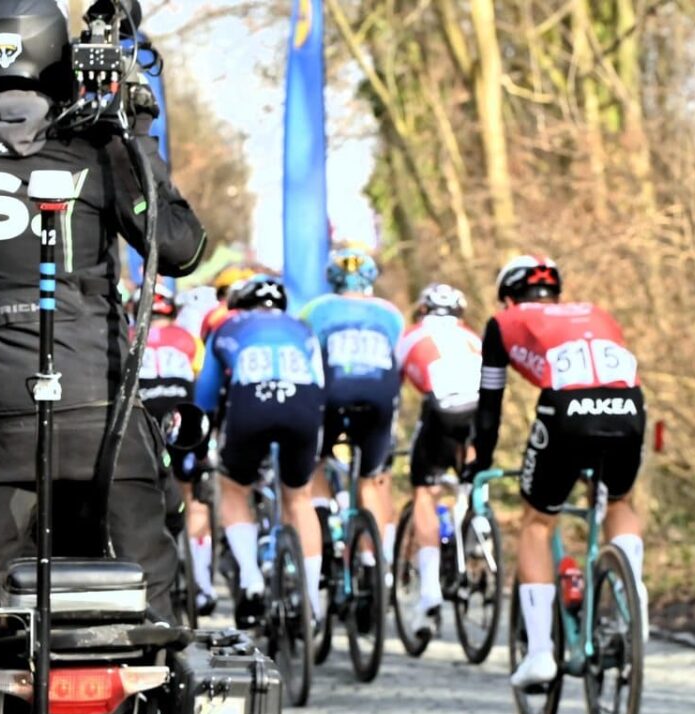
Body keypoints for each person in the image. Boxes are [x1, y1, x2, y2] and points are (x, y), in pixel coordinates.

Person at [0, 0, 207, 624]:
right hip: (103, 422)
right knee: (156, 613)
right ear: (59, 59)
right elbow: (180, 248)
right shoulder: (102, 149)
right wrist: (135, 133)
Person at [471, 255, 647, 688]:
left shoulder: (504, 321)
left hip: (567, 411)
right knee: (619, 499)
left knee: (537, 522)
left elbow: (490, 404)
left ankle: (539, 656)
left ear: (509, 296)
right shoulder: (597, 313)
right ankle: (632, 593)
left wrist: (482, 461)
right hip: (628, 408)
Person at [196, 275, 324, 627]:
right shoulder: (302, 328)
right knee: (300, 498)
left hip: (252, 401)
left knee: (233, 487)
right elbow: (320, 385)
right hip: (303, 403)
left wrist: (204, 436)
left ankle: (251, 577)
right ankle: (312, 602)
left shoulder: (226, 327)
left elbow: (206, 395)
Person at [297, 248, 406, 561]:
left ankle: (321, 525)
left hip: (332, 395)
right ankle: (374, 559)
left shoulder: (315, 310)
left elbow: (306, 358)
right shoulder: (390, 313)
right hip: (381, 396)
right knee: (370, 479)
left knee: (316, 461)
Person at [397, 283, 483, 639]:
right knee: (473, 469)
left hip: (442, 406)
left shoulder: (412, 335)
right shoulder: (472, 337)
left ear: (422, 312)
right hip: (479, 407)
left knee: (424, 491)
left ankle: (430, 587)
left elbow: (393, 390)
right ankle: (476, 517)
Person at [135, 280, 214, 614]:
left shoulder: (128, 338)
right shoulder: (188, 340)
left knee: (141, 488)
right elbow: (199, 381)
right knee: (193, 495)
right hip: (183, 415)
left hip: (145, 416)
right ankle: (204, 587)